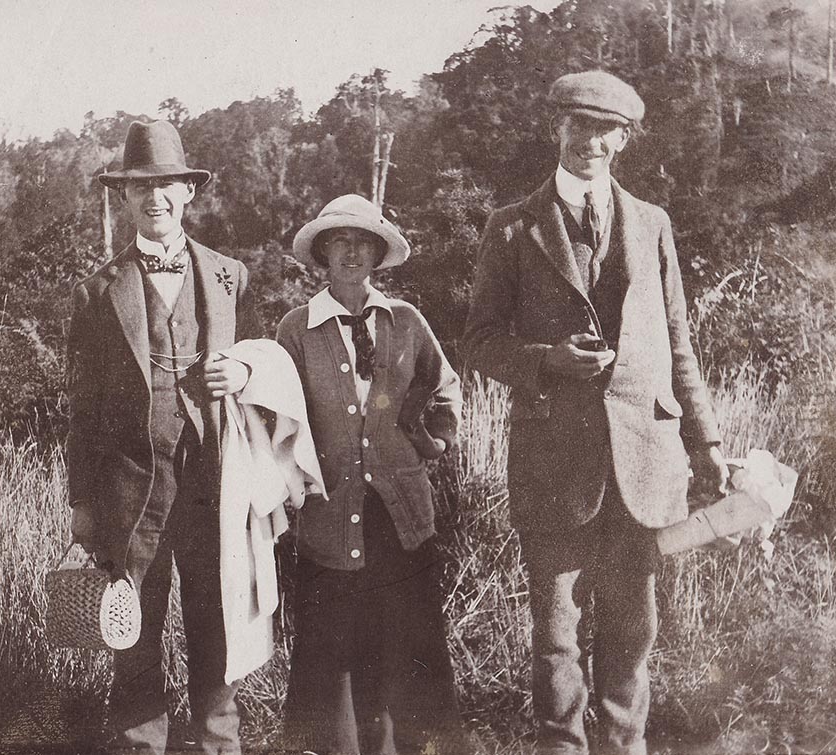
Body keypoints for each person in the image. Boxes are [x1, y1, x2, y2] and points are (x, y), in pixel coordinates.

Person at [463, 71, 730, 755]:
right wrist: (547, 358)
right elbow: (479, 341)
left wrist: (707, 442)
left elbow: (678, 343)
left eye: (605, 128)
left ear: (624, 139)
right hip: (554, 466)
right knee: (555, 636)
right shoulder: (512, 226)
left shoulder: (652, 223)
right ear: (557, 128)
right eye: (578, 124)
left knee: (631, 630)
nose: (591, 140)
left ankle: (624, 747)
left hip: (646, 464)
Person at [66, 119, 262, 755]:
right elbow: (82, 412)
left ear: (188, 192)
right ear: (122, 197)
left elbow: (264, 364)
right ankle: (141, 747)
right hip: (130, 497)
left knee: (216, 633)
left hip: (214, 488)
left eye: (168, 185)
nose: (156, 198)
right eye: (140, 187)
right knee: (133, 640)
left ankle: (216, 747)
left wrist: (244, 370)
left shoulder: (230, 277)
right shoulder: (95, 295)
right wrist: (83, 507)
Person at [276, 194, 468, 755]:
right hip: (328, 518)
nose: (352, 251)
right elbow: (275, 414)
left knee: (400, 647)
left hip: (400, 519)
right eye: (340, 241)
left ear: (378, 253)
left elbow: (443, 390)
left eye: (363, 241)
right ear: (323, 254)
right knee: (334, 651)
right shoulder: (297, 329)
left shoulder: (405, 322)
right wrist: (295, 481)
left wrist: (425, 435)